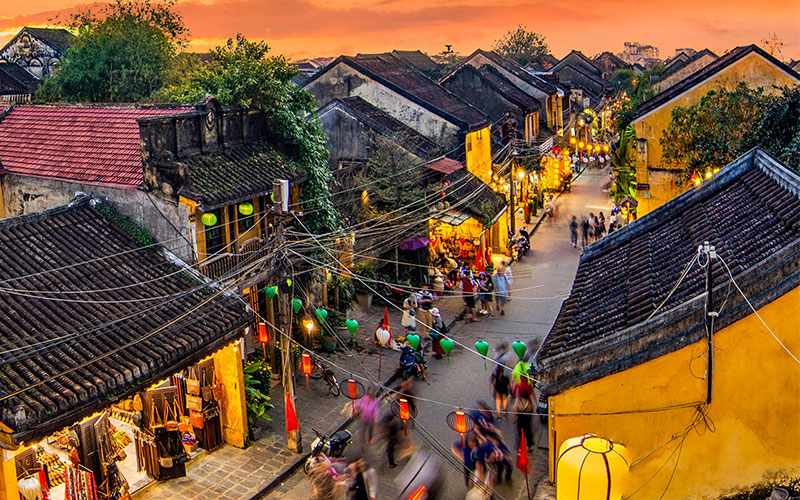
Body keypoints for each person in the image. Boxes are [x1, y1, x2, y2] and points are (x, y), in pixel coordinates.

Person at [355, 388, 380, 452]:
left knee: (370, 431)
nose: (370, 395)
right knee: (362, 432)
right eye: (370, 393)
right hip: (363, 418)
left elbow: (376, 410)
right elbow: (358, 403)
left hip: (370, 419)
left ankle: (370, 439)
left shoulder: (375, 401)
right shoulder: (364, 398)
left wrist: (375, 419)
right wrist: (356, 407)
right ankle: (363, 445)